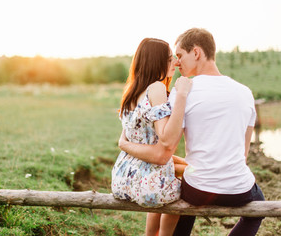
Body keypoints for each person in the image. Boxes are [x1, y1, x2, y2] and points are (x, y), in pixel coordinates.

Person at [118, 28, 265, 236]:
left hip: (198, 189)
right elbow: (243, 154)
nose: (177, 62)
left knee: (184, 196)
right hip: (238, 189)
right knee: (259, 206)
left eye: (179, 55)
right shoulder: (245, 93)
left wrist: (124, 144)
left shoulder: (183, 90)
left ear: (196, 53)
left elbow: (167, 144)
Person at [111, 38, 192, 236]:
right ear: (156, 62)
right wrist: (181, 95)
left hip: (123, 176)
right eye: (169, 58)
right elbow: (164, 138)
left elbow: (136, 142)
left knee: (184, 169)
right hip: (148, 181)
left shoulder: (131, 90)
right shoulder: (155, 88)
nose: (175, 62)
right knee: (187, 190)